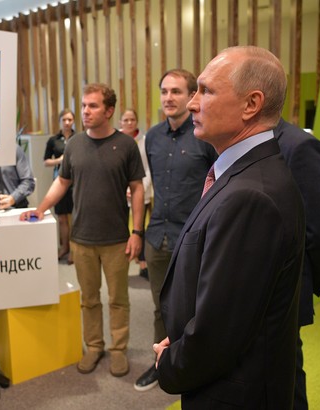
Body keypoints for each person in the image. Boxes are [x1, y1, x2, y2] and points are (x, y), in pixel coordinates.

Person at [153, 46, 306, 409]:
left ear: (251, 104)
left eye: (205, 91)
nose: (192, 103)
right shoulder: (243, 174)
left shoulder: (252, 195)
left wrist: (169, 364)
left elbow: (219, 332)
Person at [20, 83, 145, 378]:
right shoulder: (74, 144)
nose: (85, 111)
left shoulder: (126, 145)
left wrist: (137, 232)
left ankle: (118, 351)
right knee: (88, 299)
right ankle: (94, 346)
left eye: (93, 106)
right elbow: (62, 182)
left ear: (109, 110)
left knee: (118, 300)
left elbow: (137, 189)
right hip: (82, 239)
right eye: (84, 106)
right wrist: (40, 208)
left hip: (116, 239)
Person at [134, 69, 218, 392]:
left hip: (194, 238)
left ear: (191, 95)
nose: (169, 98)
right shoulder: (152, 138)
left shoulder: (205, 136)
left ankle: (195, 366)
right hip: (158, 235)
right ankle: (162, 364)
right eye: (164, 91)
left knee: (198, 308)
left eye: (177, 92)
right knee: (161, 306)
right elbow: (151, 185)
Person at [274, 118, 320, 409]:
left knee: (285, 382)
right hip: (247, 294)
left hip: (282, 294)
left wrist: (306, 284)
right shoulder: (233, 144)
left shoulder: (299, 146)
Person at [120, 108, 153, 279]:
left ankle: (143, 262)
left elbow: (147, 169)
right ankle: (123, 261)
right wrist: (124, 189)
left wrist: (139, 188)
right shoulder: (116, 140)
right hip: (120, 195)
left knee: (141, 228)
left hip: (142, 192)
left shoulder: (144, 141)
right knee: (122, 228)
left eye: (132, 120)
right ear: (120, 122)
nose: (129, 123)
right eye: (125, 120)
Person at [44, 109, 75, 263]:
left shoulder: (79, 138)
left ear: (74, 121)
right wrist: (60, 160)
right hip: (60, 181)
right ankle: (64, 247)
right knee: (62, 218)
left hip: (77, 183)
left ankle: (74, 251)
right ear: (60, 121)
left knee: (75, 217)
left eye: (70, 119)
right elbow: (46, 161)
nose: (67, 122)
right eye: (65, 120)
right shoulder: (53, 140)